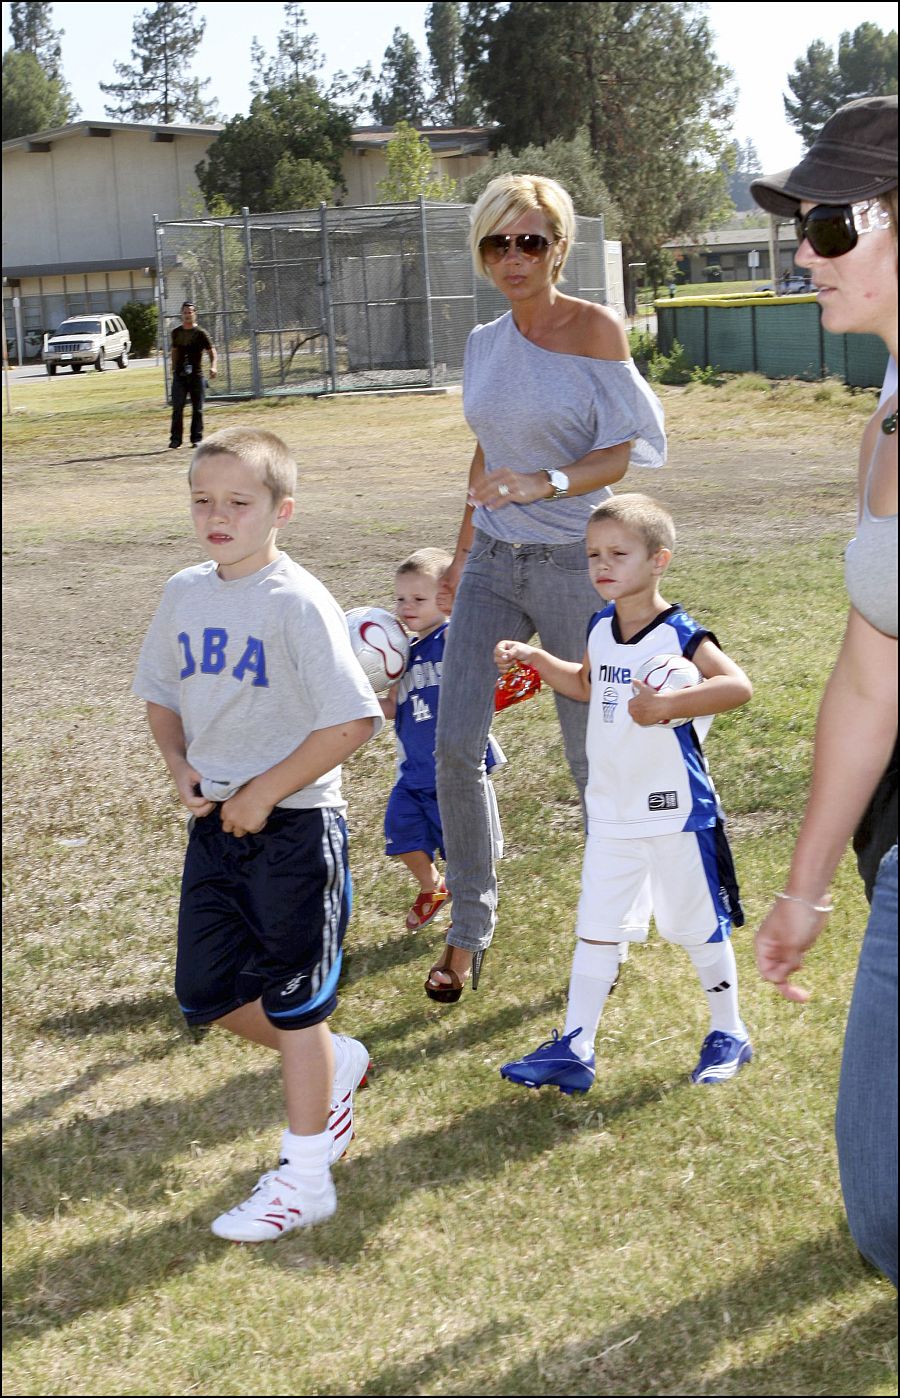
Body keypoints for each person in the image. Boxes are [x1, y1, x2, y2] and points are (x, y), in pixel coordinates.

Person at [132, 425, 384, 1243]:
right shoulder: (184, 591)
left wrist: (268, 792)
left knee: (295, 1004)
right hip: (215, 827)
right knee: (206, 993)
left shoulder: (299, 601)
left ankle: (306, 1177)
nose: (218, 515)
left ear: (283, 510)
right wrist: (179, 768)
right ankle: (336, 1060)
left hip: (296, 830)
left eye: (239, 502)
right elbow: (161, 695)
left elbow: (353, 720)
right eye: (203, 500)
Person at [426, 173, 666, 1003]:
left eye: (530, 241)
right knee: (454, 745)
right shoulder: (485, 342)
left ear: (560, 247)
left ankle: (612, 922)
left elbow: (623, 451)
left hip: (574, 565)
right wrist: (460, 558)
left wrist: (550, 481)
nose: (513, 257)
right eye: (498, 242)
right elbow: (483, 456)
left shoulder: (595, 330)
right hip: (493, 559)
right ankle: (468, 930)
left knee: (589, 752)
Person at [750, 94, 898, 1288]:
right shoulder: (884, 421)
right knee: (886, 1212)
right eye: (805, 223)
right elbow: (867, 672)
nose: (805, 249)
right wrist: (806, 891)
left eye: (833, 224)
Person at [494, 493, 754, 1090]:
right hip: (610, 809)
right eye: (593, 555)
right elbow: (586, 685)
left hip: (674, 812)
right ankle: (576, 1045)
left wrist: (669, 706)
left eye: (618, 553)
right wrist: (536, 657)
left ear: (659, 560)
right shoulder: (601, 627)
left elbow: (737, 686)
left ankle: (729, 1031)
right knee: (597, 925)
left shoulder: (680, 635)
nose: (602, 566)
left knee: (697, 927)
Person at [381, 548, 505, 945]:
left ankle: (470, 913)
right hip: (413, 772)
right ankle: (432, 884)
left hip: (457, 770)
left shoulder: (452, 638)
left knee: (465, 851)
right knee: (400, 832)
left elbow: (483, 646)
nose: (406, 607)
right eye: (401, 598)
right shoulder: (401, 657)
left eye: (419, 599)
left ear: (446, 598)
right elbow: (391, 708)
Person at [169, 301, 217, 449]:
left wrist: (213, 366)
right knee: (178, 407)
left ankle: (196, 439)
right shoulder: (176, 333)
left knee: (198, 408)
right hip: (180, 375)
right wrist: (173, 366)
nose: (187, 315)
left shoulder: (201, 333)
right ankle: (175, 440)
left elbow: (212, 351)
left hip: (196, 375)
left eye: (190, 312)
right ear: (181, 315)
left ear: (195, 314)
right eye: (185, 312)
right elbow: (175, 350)